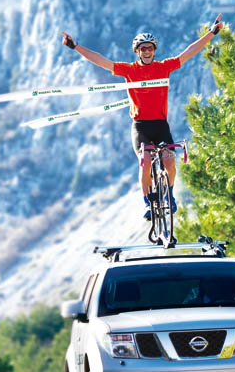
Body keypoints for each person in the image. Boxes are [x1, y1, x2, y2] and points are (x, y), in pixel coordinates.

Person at [61, 15, 223, 220]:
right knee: (145, 161)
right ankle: (148, 202)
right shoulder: (129, 70)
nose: (147, 51)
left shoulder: (163, 67)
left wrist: (211, 33)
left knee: (169, 160)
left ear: (154, 50)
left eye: (150, 48)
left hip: (161, 125)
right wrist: (76, 46)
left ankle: (169, 196)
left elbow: (189, 52)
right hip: (140, 126)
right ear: (137, 52)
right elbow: (101, 61)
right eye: (143, 48)